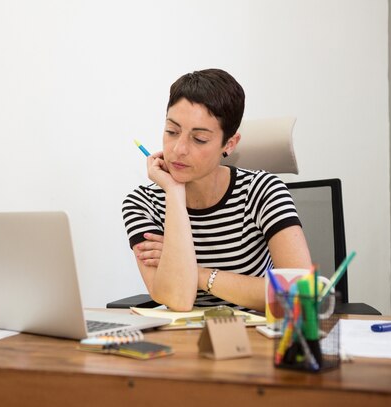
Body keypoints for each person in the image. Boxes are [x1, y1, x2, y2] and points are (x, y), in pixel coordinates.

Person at [122, 69, 311, 312]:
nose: (178, 149)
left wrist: (197, 274)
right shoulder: (142, 203)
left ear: (229, 144)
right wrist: (174, 192)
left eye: (199, 139)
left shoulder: (263, 190)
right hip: (183, 341)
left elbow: (298, 295)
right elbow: (177, 299)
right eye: (172, 131)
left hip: (255, 339)